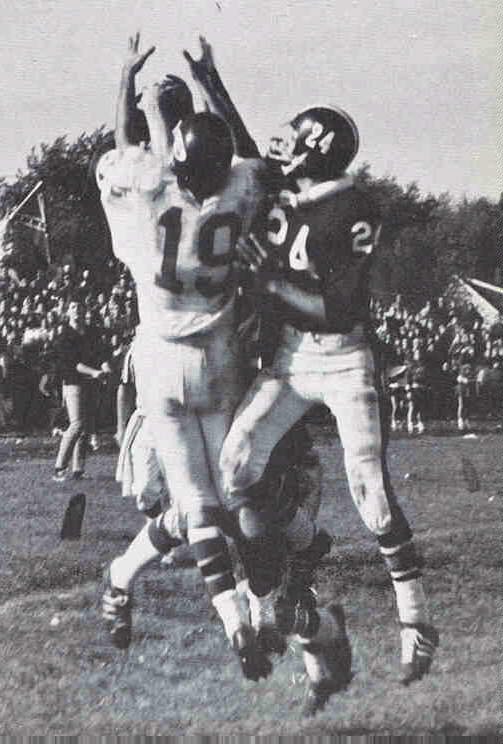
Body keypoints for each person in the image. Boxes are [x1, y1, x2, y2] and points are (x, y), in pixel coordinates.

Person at [185, 39, 439, 707]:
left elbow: (340, 306)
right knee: (235, 468)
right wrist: (212, 82)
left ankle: (416, 622)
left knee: (371, 494)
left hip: (342, 356)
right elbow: (245, 146)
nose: (285, 144)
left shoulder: (352, 209)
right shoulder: (288, 186)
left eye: (298, 137)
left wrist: (266, 281)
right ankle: (305, 541)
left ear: (319, 150)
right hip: (292, 358)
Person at [96, 35, 276, 681]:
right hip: (221, 356)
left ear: (172, 146)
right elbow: (249, 156)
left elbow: (126, 148)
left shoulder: (147, 187)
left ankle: (226, 619)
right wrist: (210, 82)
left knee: (199, 505)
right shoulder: (239, 190)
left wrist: (126, 80)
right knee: (228, 497)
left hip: (161, 356)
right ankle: (249, 615)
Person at [52, 297, 110, 480]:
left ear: (85, 311)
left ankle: (78, 470)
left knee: (85, 427)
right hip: (73, 382)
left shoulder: (92, 332)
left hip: (91, 383)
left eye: (80, 307)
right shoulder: (65, 335)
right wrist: (95, 372)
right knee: (76, 424)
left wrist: (106, 367)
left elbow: (101, 354)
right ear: (68, 312)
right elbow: (73, 364)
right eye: (73, 307)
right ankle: (59, 467)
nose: (77, 310)